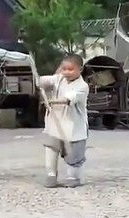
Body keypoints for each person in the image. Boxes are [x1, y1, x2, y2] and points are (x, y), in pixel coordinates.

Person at [38, 54, 89, 188]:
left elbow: (68, 100)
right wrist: (39, 80)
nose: (66, 72)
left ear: (80, 69)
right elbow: (42, 81)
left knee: (74, 156)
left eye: (70, 69)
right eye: (64, 69)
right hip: (55, 123)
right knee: (51, 149)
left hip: (73, 127)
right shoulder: (59, 79)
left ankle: (73, 177)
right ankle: (51, 175)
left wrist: (50, 101)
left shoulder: (82, 86)